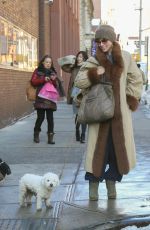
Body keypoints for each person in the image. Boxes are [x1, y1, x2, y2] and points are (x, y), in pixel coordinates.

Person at [75, 25, 143, 200]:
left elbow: (136, 78)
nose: (101, 44)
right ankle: (93, 188)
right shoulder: (94, 60)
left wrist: (130, 99)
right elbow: (79, 81)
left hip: (120, 116)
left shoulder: (126, 58)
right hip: (99, 115)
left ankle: (111, 185)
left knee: (117, 152)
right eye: (98, 41)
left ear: (113, 40)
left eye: (104, 40)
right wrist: (95, 73)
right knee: (98, 152)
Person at [31, 54, 65, 144]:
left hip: (50, 98)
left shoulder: (53, 71)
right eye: (47, 62)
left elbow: (55, 85)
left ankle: (50, 137)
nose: (48, 64)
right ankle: (36, 134)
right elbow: (33, 82)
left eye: (50, 62)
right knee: (40, 118)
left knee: (50, 118)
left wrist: (53, 80)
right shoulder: (37, 71)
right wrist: (43, 79)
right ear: (43, 62)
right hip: (40, 98)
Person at [60, 51, 88, 143]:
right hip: (75, 92)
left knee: (84, 115)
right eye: (78, 57)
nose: (80, 58)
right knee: (77, 114)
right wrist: (72, 62)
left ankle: (83, 135)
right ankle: (77, 130)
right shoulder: (73, 68)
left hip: (84, 92)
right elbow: (63, 66)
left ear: (85, 58)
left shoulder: (87, 67)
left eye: (82, 57)